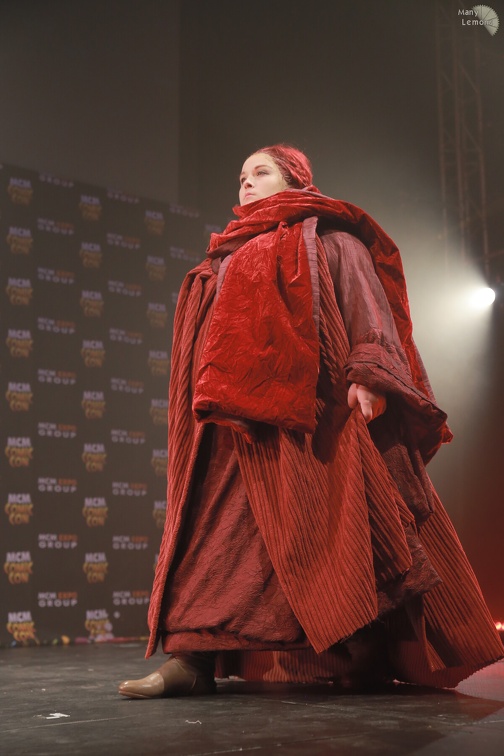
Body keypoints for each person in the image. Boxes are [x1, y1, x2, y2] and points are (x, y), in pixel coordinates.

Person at [118, 144, 503, 698]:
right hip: (234, 431)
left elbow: (367, 307)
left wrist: (369, 375)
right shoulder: (222, 258)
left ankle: (359, 658)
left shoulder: (331, 238)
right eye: (241, 175)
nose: (246, 182)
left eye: (261, 172)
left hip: (313, 418)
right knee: (215, 543)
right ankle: (192, 661)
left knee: (333, 536)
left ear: (295, 181)